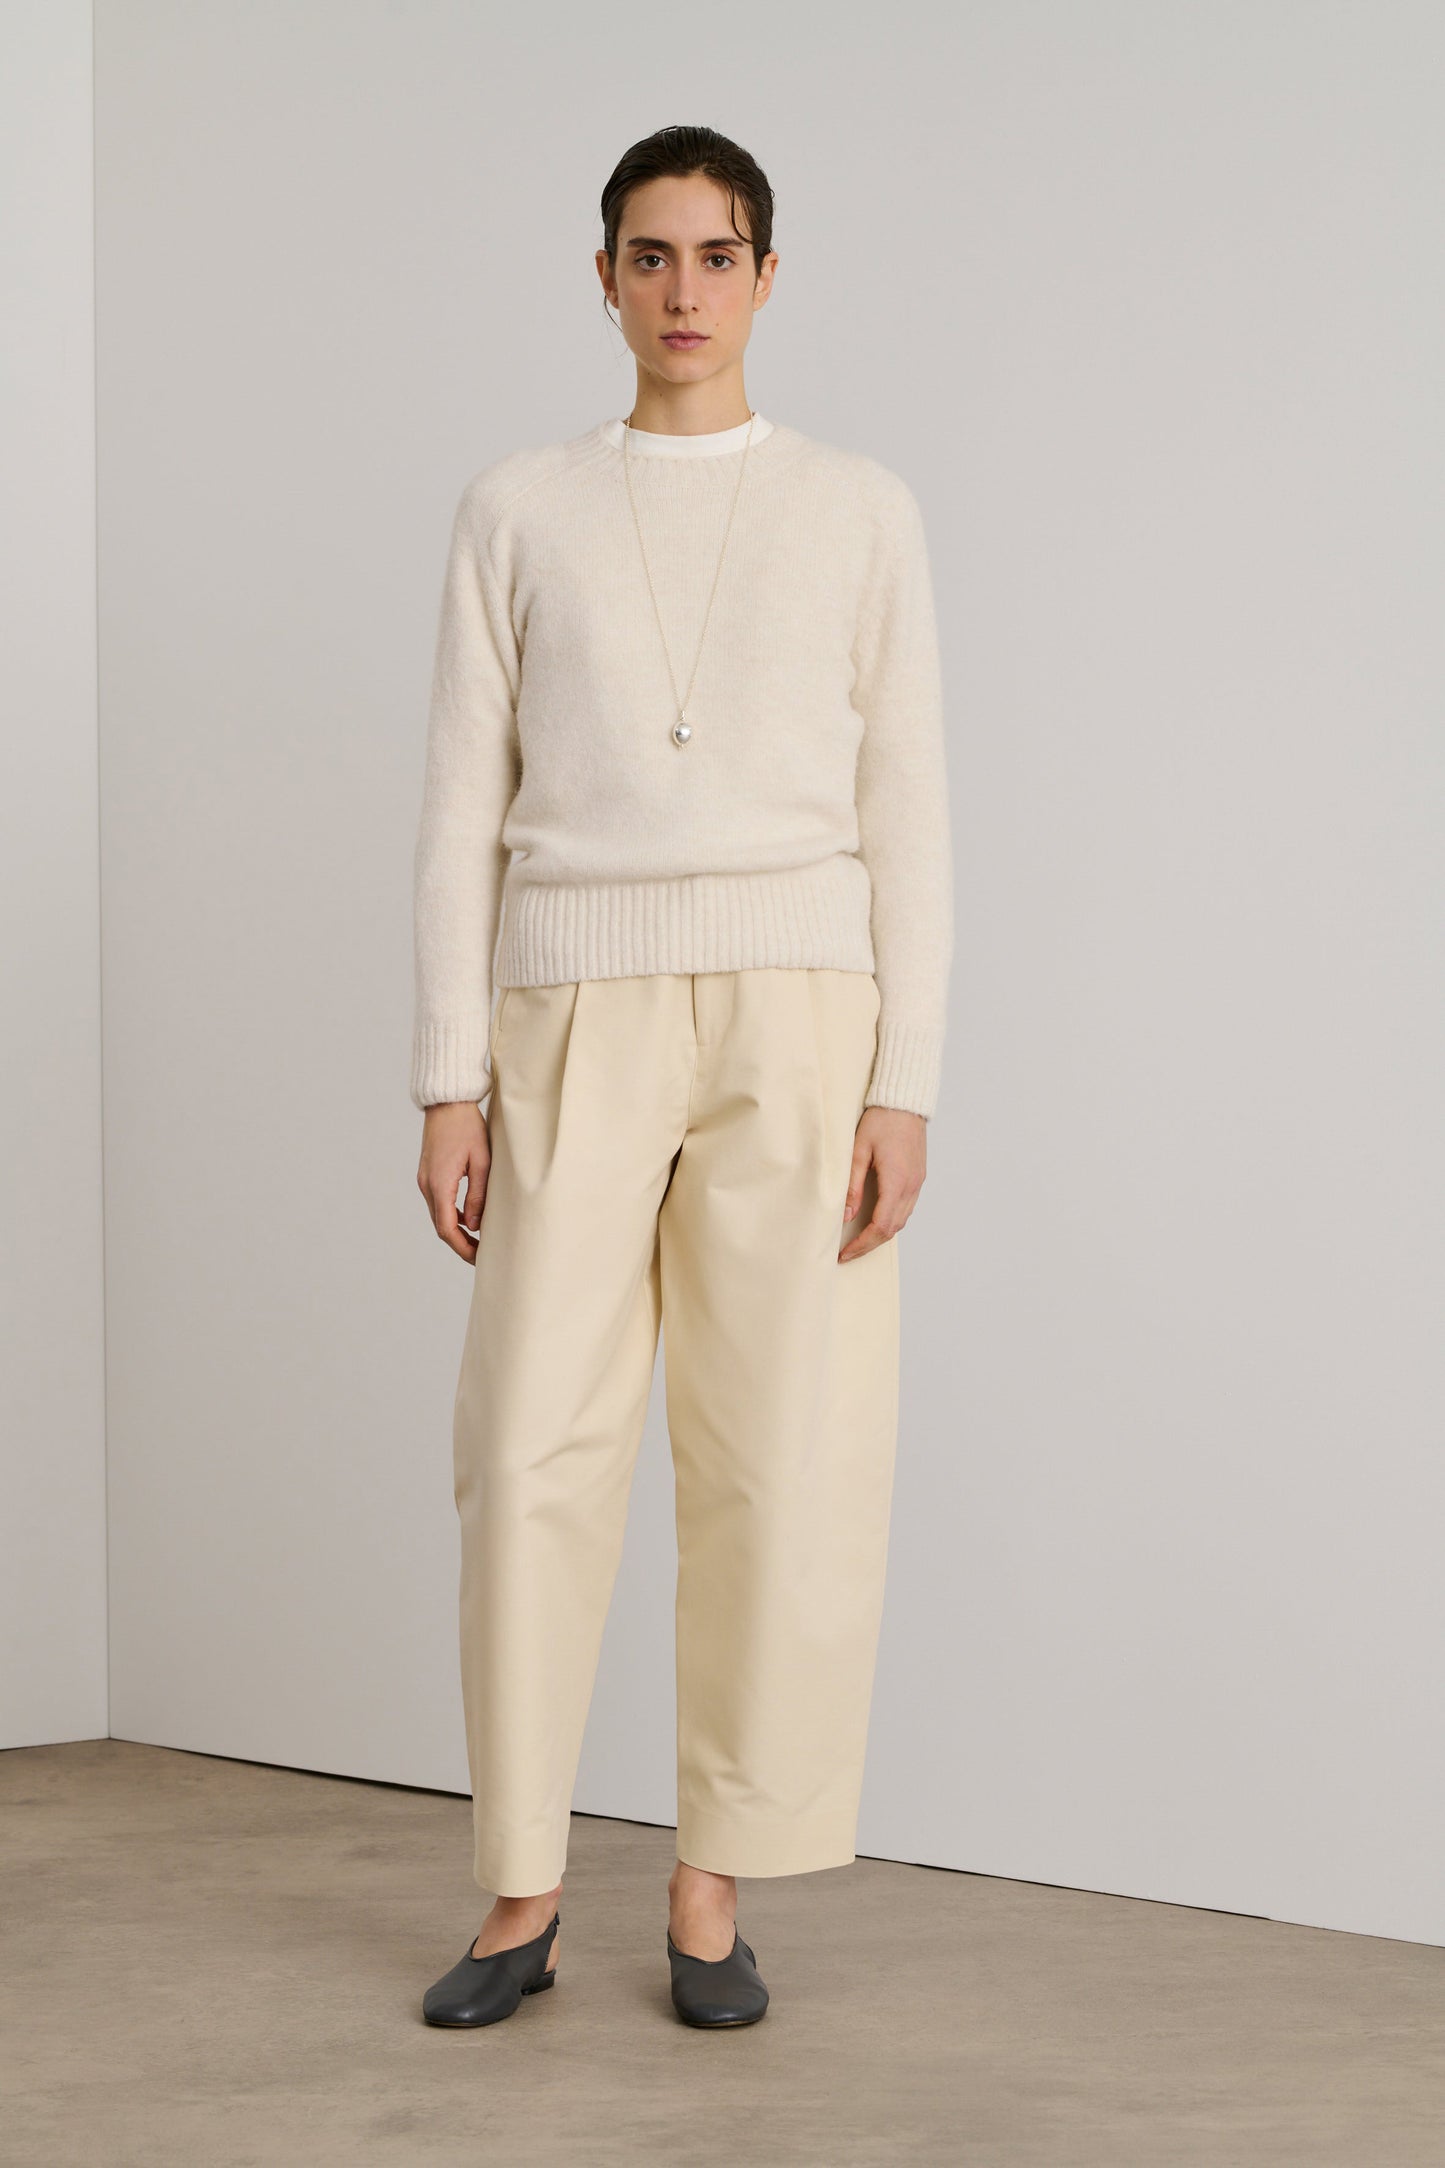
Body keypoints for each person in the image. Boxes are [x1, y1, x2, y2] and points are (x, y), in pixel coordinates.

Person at [412, 123, 953, 2031]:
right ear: (603, 279)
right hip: (572, 1007)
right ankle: (520, 1888)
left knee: (779, 1451)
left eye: (717, 256)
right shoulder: (518, 506)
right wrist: (446, 1074)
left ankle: (712, 1891)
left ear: (767, 277)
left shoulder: (859, 509)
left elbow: (910, 805)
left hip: (800, 1015)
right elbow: (459, 803)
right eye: (648, 256)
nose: (683, 292)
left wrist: (905, 1079)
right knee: (526, 1449)